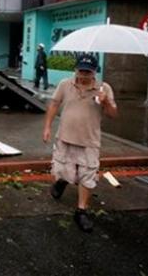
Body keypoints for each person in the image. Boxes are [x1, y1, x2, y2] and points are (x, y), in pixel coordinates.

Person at [42, 53, 118, 232]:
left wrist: (106, 102)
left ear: (94, 72)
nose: (83, 75)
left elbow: (113, 114)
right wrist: (47, 127)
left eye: (88, 72)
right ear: (75, 70)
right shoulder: (65, 84)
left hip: (89, 141)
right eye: (81, 71)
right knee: (63, 169)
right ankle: (62, 182)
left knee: (87, 174)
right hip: (65, 137)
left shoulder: (103, 88)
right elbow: (54, 104)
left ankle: (81, 211)